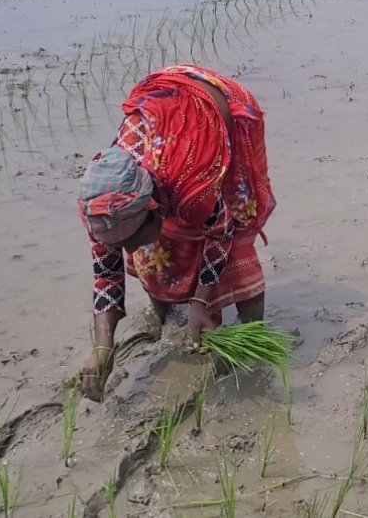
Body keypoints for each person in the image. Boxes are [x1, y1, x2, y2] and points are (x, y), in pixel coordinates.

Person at [77, 65, 276, 402]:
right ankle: (163, 311)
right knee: (154, 255)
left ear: (154, 209)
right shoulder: (102, 209)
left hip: (222, 111)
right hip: (164, 115)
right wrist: (102, 347)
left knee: (237, 226)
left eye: (133, 241)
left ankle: (253, 333)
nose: (129, 250)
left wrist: (200, 302)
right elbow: (106, 276)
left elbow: (222, 233)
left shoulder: (191, 186)